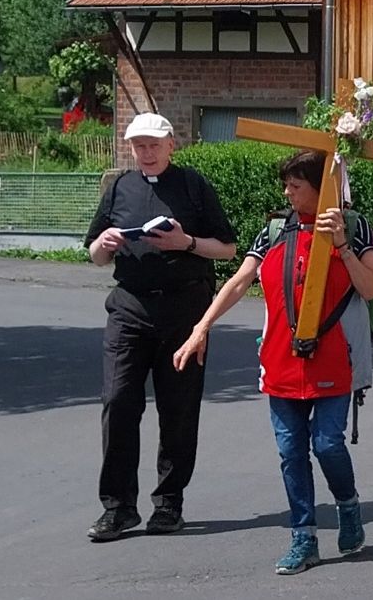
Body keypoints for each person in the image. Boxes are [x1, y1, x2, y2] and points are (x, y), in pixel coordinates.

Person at [172, 150, 373, 575]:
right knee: (290, 451)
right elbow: (239, 280)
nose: (286, 192)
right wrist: (202, 327)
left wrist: (341, 245)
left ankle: (348, 507)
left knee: (327, 444)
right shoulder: (273, 231)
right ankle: (303, 538)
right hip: (281, 359)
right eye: (285, 184)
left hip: (333, 358)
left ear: (321, 190)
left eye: (295, 185)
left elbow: (371, 288)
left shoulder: (356, 227)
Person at [83, 112, 238, 542]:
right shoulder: (118, 187)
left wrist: (185, 242)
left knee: (178, 411)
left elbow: (227, 249)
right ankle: (117, 508)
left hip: (183, 314)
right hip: (129, 310)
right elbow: (95, 254)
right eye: (138, 146)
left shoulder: (193, 187)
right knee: (117, 403)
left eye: (153, 145)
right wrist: (104, 244)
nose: (146, 153)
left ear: (172, 145)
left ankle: (169, 504)